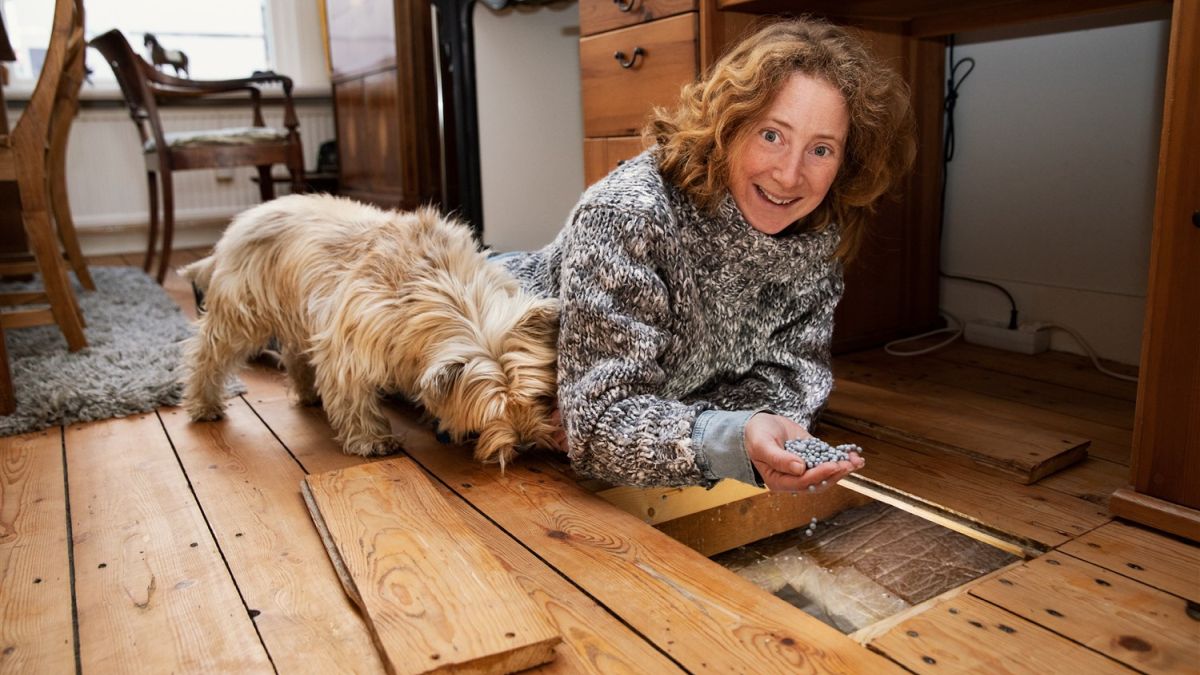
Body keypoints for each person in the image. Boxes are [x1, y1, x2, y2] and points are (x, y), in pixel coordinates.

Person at [502, 17, 916, 491]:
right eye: (772, 135)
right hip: (479, 327)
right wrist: (726, 432)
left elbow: (792, 387)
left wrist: (739, 430)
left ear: (847, 163)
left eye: (821, 149)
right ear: (728, 125)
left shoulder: (815, 243)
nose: (789, 175)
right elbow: (597, 428)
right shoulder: (628, 215)